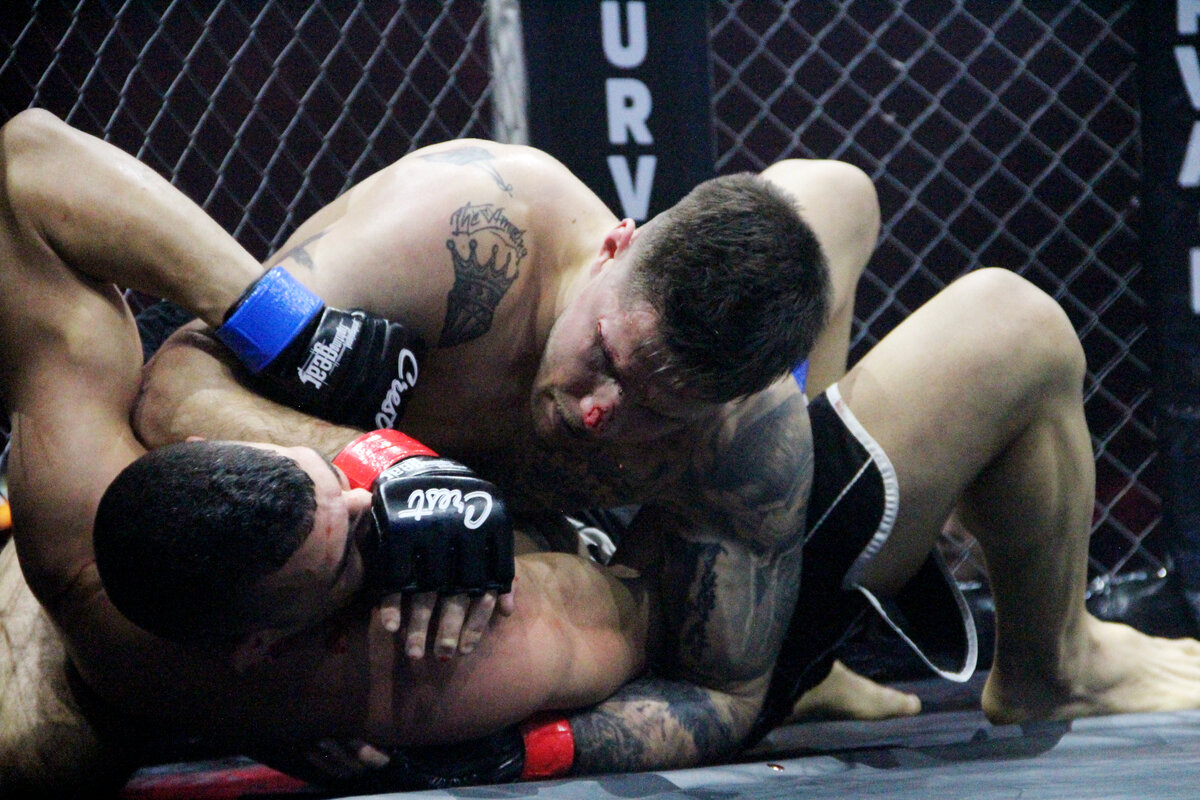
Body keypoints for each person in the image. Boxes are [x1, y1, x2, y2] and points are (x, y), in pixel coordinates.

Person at [8, 107, 1200, 792]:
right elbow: (181, 385)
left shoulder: (744, 443)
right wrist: (386, 459)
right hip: (365, 529)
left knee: (946, 275)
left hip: (632, 584)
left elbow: (721, 691)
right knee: (823, 190)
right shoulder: (465, 233)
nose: (597, 413)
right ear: (618, 243)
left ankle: (1054, 655)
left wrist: (515, 750)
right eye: (605, 361)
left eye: (651, 408)